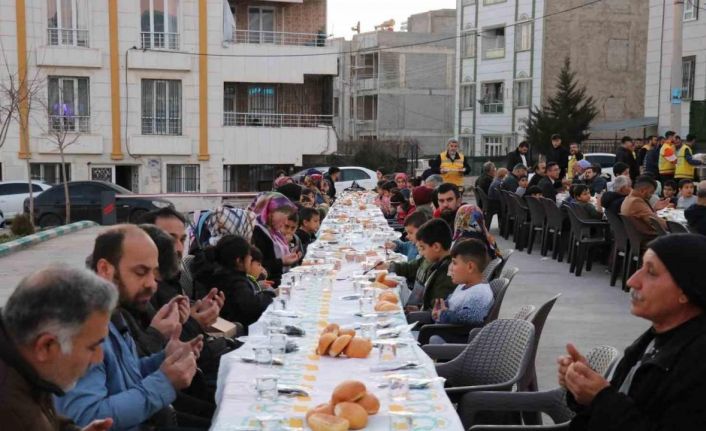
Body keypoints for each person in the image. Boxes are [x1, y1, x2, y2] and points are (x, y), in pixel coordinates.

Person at [57, 226, 201, 431]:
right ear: (105, 269)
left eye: (154, 272)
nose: (152, 284)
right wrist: (164, 382)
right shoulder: (80, 328)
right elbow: (88, 418)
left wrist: (164, 359)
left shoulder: (112, 314)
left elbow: (125, 376)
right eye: (141, 272)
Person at [558, 233, 706, 430]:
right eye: (640, 268)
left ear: (686, 291)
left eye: (651, 273)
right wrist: (582, 388)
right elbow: (626, 403)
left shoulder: (696, 362)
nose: (632, 281)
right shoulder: (657, 336)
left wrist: (601, 397)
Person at [0, 267, 118, 431]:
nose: (98, 358)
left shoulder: (23, 356)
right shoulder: (12, 412)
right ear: (46, 346)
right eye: (92, 347)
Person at [139, 208, 222, 330]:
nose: (179, 248)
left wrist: (199, 310)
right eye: (169, 240)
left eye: (182, 240)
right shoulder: (140, 292)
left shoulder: (172, 278)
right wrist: (194, 323)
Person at [193, 235, 275, 331]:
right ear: (239, 260)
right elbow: (251, 306)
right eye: (249, 256)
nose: (250, 259)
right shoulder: (233, 281)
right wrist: (270, 295)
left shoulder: (219, 274)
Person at [429, 239, 494, 344]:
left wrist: (444, 315)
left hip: (453, 343)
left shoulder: (480, 293)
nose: (451, 268)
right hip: (442, 332)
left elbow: (471, 317)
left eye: (454, 263)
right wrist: (440, 309)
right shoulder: (463, 285)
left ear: (470, 267)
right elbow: (452, 303)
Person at [383, 219, 455, 311]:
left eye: (423, 248)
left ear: (436, 247)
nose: (421, 253)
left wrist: (418, 311)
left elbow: (436, 310)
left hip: (423, 320)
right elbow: (411, 267)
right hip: (417, 307)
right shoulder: (428, 259)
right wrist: (389, 266)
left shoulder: (447, 274)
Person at [249, 192, 301, 287]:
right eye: (282, 218)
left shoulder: (272, 231)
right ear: (269, 212)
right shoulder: (257, 232)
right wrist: (282, 262)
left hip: (279, 280)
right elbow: (261, 265)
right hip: (269, 285)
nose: (284, 222)